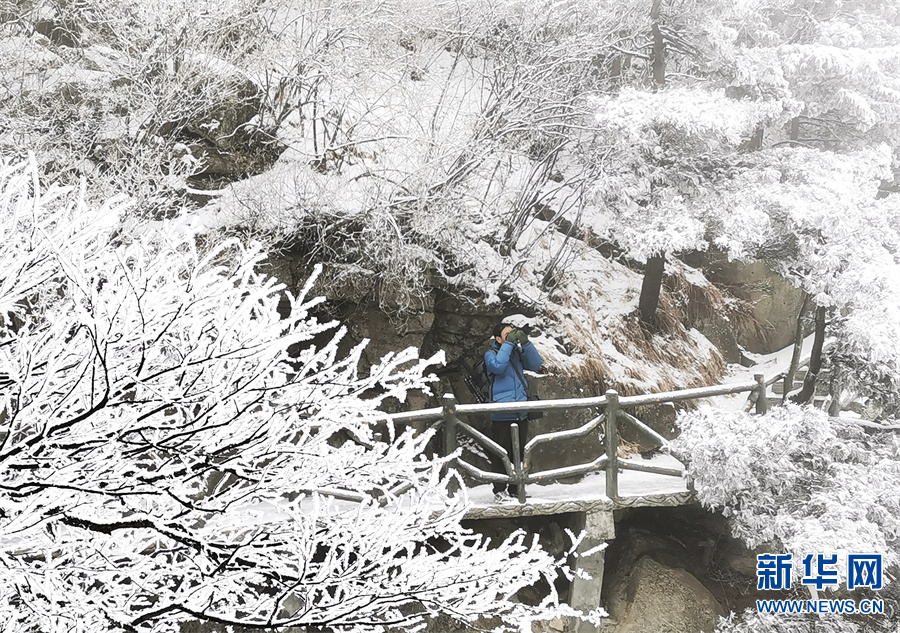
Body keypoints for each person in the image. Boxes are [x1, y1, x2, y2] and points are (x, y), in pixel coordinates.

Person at [485, 322, 543, 502]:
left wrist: (525, 343)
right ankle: (499, 490)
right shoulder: (491, 354)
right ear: (498, 339)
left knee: (519, 453)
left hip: (521, 411)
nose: (511, 336)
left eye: (513, 333)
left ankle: (515, 488)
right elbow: (498, 367)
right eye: (507, 334)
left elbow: (536, 364)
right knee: (501, 453)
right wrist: (509, 345)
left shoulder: (517, 354)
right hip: (502, 412)